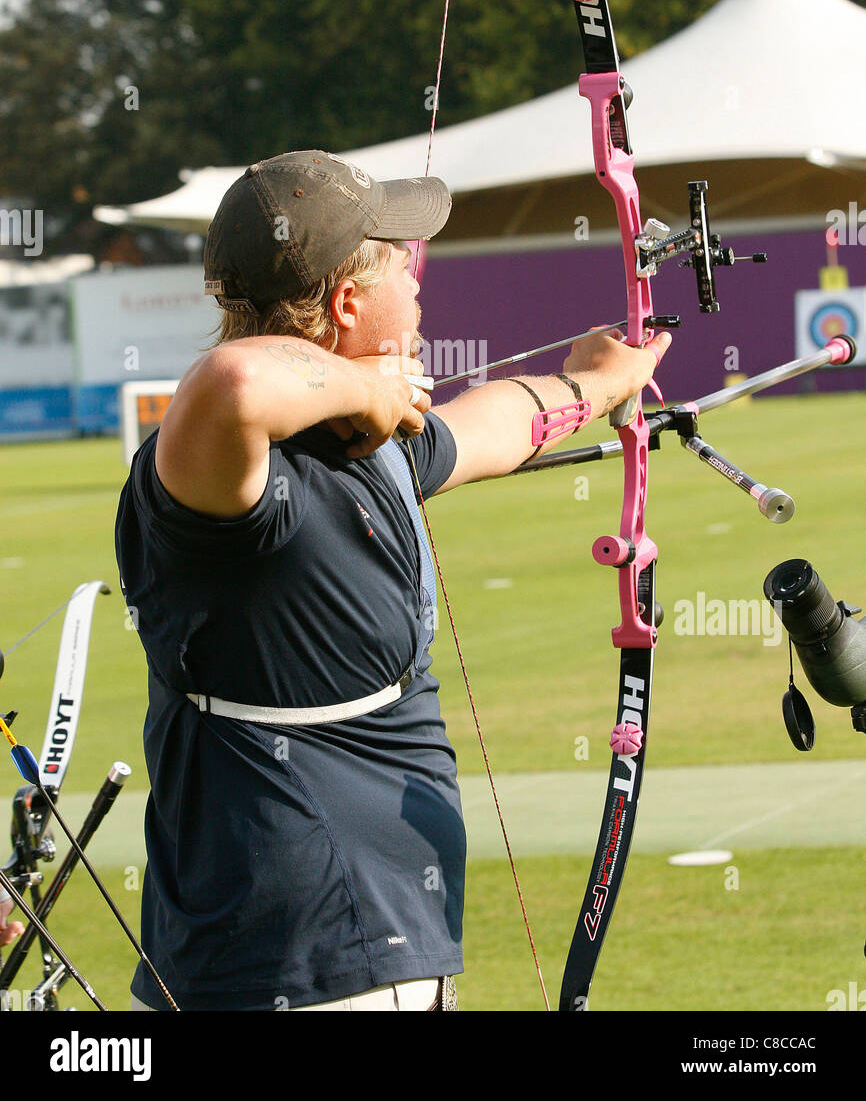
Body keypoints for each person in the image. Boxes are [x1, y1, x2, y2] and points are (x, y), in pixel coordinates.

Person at [115, 149, 669, 1011]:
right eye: (405, 267)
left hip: (366, 935)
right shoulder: (224, 474)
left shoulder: (361, 438)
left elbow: (484, 430)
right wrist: (368, 386)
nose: (421, 289)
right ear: (347, 304)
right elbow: (231, 382)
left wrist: (590, 385)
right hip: (296, 955)